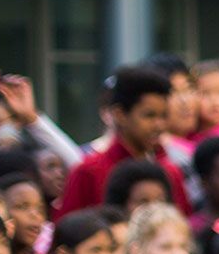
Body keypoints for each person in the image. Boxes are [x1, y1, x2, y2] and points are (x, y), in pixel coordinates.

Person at [59, 67, 189, 215]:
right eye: (149, 115)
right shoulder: (88, 172)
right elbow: (67, 232)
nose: (159, 125)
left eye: (163, 115)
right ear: (120, 114)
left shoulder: (171, 172)